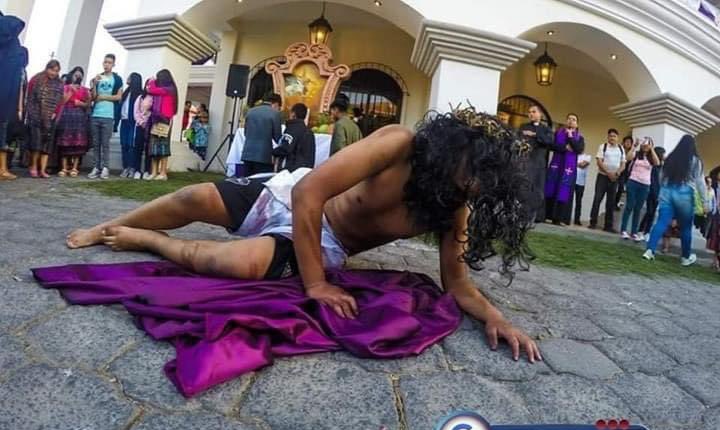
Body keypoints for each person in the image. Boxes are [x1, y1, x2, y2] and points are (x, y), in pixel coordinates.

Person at [66, 108, 542, 363]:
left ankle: (145, 240)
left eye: (483, 183)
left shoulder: (451, 206)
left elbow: (456, 284)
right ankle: (111, 225)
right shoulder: (399, 143)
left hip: (323, 242)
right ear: (452, 151)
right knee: (191, 199)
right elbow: (310, 192)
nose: (473, 186)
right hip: (289, 196)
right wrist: (315, 285)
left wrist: (496, 318)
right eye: (472, 173)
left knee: (234, 266)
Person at [643, 134, 708, 266]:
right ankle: (685, 257)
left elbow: (662, 176)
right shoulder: (696, 161)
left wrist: (663, 190)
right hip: (685, 193)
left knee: (661, 222)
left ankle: (650, 250)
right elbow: (700, 182)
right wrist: (705, 202)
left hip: (668, 191)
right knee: (685, 227)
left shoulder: (671, 158)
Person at [0, 12, 28, 181]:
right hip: (5, 97)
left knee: (3, 133)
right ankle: (2, 168)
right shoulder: (11, 44)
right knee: (3, 132)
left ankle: (3, 168)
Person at [25, 59, 64, 178]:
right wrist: (31, 113)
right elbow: (30, 97)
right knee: (36, 143)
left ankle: (42, 169)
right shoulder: (36, 79)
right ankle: (33, 167)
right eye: (52, 69)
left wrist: (54, 113)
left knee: (46, 145)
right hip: (36, 115)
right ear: (47, 68)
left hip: (50, 117)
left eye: (56, 71)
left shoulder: (59, 83)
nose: (53, 73)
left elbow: (60, 100)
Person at [544, 113, 585, 225]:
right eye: (569, 119)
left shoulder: (579, 137)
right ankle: (547, 215)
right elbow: (551, 146)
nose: (571, 121)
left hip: (568, 169)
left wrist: (571, 137)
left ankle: (559, 218)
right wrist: (564, 148)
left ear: (577, 124)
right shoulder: (558, 133)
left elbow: (579, 149)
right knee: (551, 188)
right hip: (556, 166)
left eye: (574, 120)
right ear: (566, 121)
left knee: (564, 191)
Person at [88, 54, 123, 179]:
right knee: (96, 143)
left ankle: (105, 167)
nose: (106, 64)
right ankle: (96, 167)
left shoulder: (117, 79)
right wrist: (93, 85)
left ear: (113, 64)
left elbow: (119, 96)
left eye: (109, 62)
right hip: (96, 113)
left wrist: (104, 97)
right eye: (105, 62)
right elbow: (93, 97)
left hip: (108, 115)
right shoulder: (98, 77)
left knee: (105, 143)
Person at [518, 103, 554, 222]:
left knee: (538, 189)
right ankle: (523, 214)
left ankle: (538, 216)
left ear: (540, 114)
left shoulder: (546, 129)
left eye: (533, 111)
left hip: (539, 163)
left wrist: (534, 134)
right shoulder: (523, 126)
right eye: (529, 112)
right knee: (525, 188)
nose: (531, 114)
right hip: (526, 161)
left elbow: (549, 141)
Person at [620, 138, 660, 240]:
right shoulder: (637, 154)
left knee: (638, 208)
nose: (646, 146)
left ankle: (634, 232)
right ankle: (623, 230)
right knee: (629, 205)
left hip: (645, 184)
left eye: (648, 144)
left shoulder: (651, 157)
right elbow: (628, 158)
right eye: (644, 144)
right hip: (633, 181)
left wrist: (652, 149)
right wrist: (634, 146)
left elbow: (657, 163)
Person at [588, 128, 626, 232]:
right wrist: (608, 173)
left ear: (617, 138)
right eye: (610, 136)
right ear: (608, 137)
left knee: (611, 202)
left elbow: (623, 164)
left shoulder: (621, 148)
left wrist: (617, 173)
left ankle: (608, 226)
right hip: (603, 177)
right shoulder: (603, 146)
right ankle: (593, 222)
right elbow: (599, 161)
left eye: (614, 136)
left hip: (615, 178)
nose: (612, 138)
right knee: (597, 199)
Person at [55, 66, 90, 177]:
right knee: (65, 143)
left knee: (78, 143)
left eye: (80, 75)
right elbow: (62, 101)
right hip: (66, 116)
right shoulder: (65, 87)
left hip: (79, 117)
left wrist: (81, 103)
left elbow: (88, 105)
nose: (78, 77)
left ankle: (75, 167)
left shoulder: (85, 90)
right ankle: (64, 167)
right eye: (76, 75)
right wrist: (71, 90)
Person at [145, 69, 177, 181]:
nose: (157, 80)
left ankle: (163, 172)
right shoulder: (163, 90)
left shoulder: (169, 90)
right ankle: (154, 172)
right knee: (153, 147)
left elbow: (151, 89)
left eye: (159, 78)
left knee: (163, 147)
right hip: (156, 119)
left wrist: (152, 81)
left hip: (164, 120)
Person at [241, 92, 282, 176]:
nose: (278, 109)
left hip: (247, 152)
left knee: (247, 182)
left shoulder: (250, 111)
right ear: (276, 103)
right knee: (260, 182)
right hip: (264, 155)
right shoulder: (274, 114)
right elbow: (277, 136)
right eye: (279, 107)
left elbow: (245, 132)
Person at [273, 102, 315, 172]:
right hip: (304, 171)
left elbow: (285, 148)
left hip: (290, 170)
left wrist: (273, 152)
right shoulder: (309, 132)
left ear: (293, 114)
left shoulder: (292, 128)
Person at [119, 72, 142, 178]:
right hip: (124, 121)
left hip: (133, 122)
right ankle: (125, 167)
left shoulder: (139, 94)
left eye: (130, 77)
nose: (127, 78)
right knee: (124, 144)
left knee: (131, 145)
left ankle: (132, 167)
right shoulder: (126, 92)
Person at [131, 81, 153, 180]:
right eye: (147, 84)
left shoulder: (155, 98)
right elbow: (136, 111)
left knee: (149, 149)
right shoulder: (140, 97)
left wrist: (149, 122)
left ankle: (147, 170)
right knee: (138, 148)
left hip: (151, 126)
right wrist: (141, 122)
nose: (149, 87)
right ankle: (137, 170)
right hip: (140, 125)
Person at [614, 134, 635, 211]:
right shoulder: (619, 150)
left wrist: (633, 148)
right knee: (614, 188)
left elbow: (628, 158)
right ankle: (612, 203)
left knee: (620, 188)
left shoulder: (632, 152)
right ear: (623, 142)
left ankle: (615, 203)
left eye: (630, 142)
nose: (628, 143)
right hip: (617, 170)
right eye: (626, 142)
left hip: (624, 173)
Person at [572, 150, 592, 225]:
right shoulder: (574, 156)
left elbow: (583, 165)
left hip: (581, 183)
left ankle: (577, 220)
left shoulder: (588, 157)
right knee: (568, 200)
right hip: (571, 180)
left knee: (578, 202)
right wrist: (577, 164)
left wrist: (574, 164)